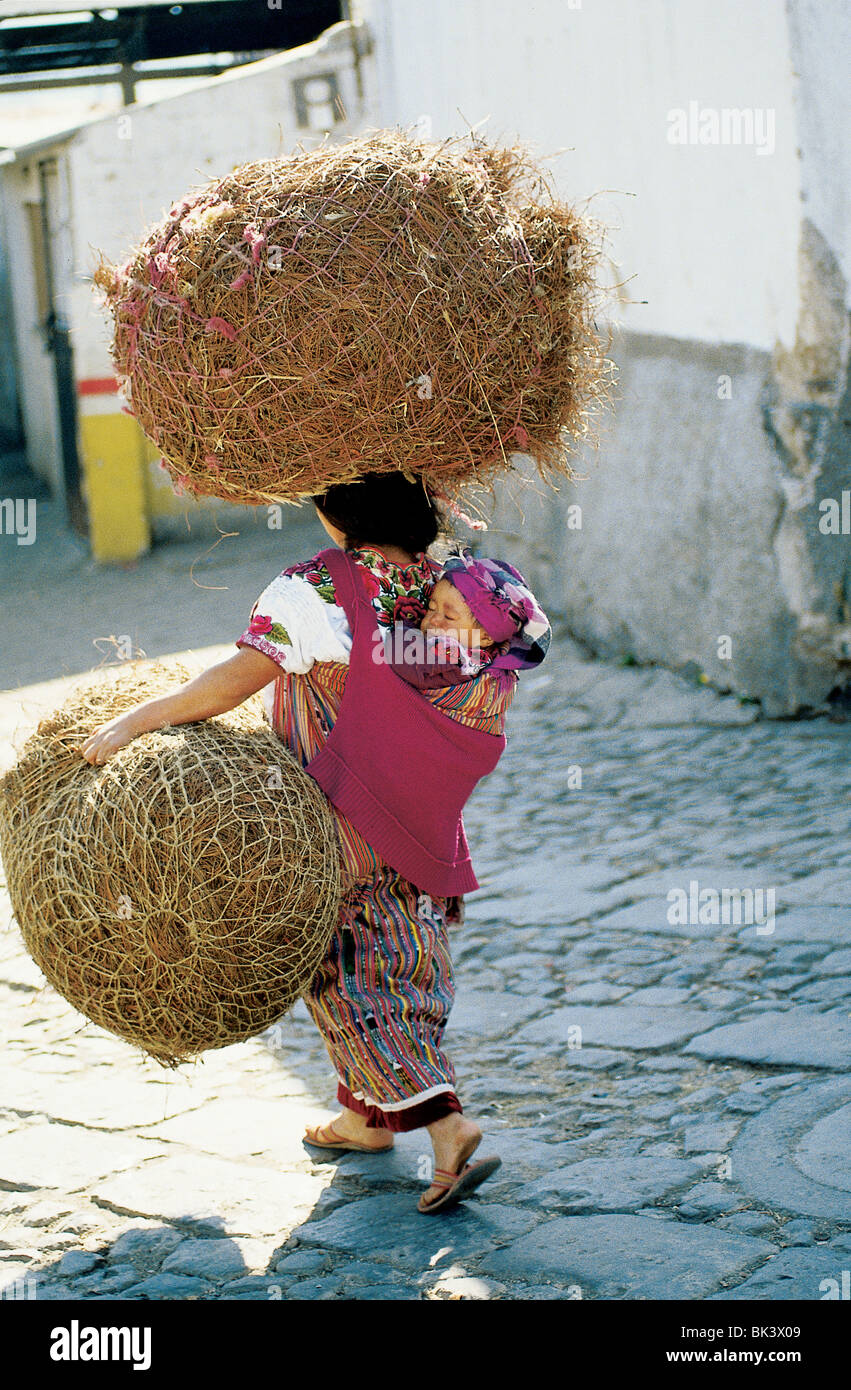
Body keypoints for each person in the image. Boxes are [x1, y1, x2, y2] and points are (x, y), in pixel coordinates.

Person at [78, 472, 547, 1214]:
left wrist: (140, 718)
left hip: (336, 820)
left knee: (344, 973)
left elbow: (232, 681)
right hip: (420, 821)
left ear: (334, 516)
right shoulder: (443, 588)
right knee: (401, 959)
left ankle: (447, 1126)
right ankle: (362, 1120)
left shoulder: (313, 590)